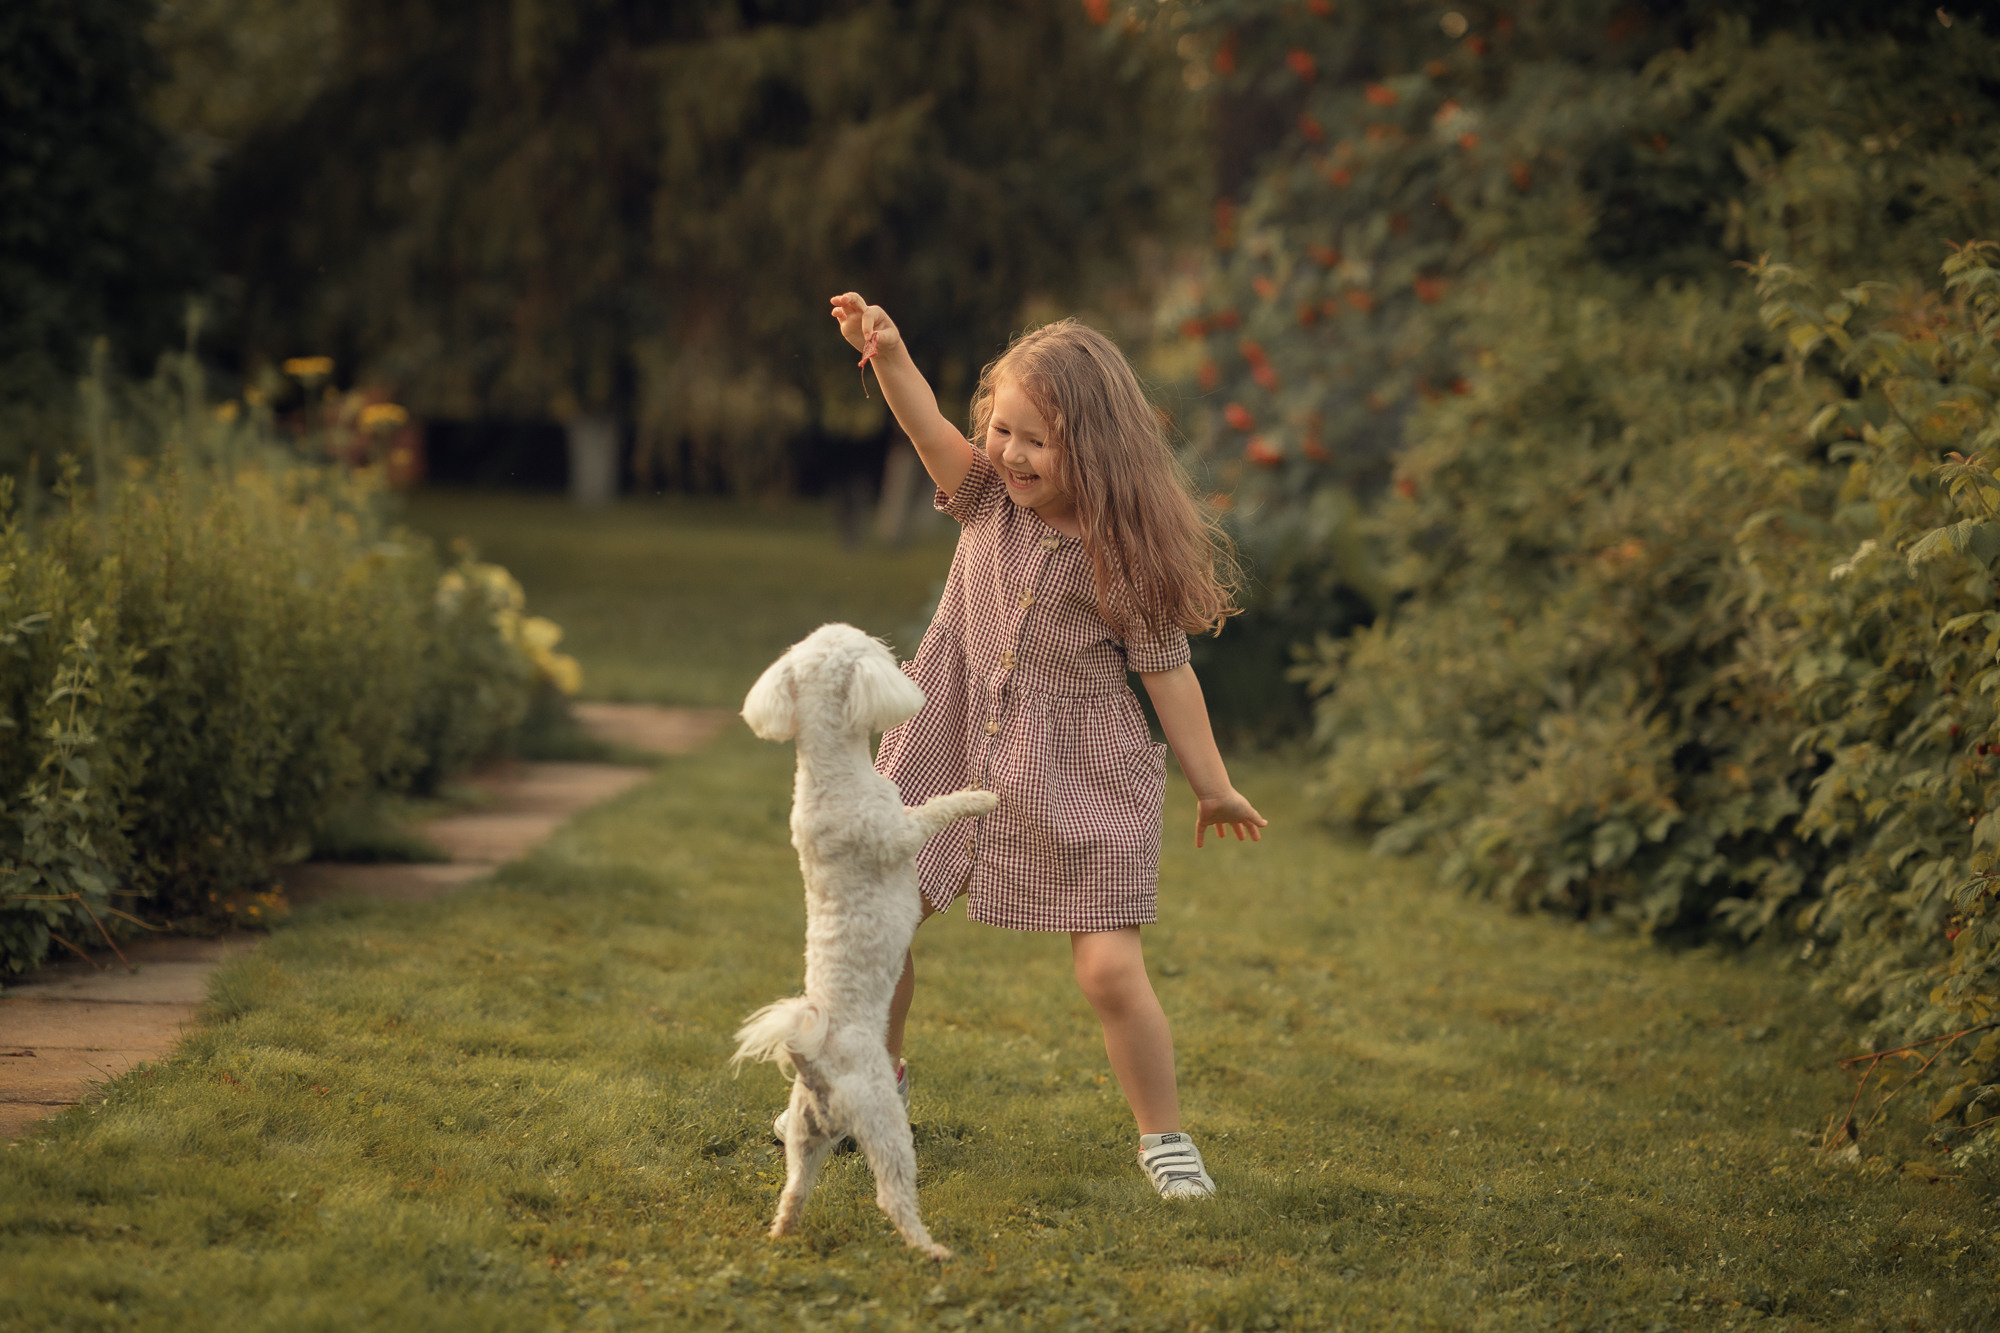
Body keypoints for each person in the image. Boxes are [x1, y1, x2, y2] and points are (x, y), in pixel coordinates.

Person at [821, 291, 1267, 1199]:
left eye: (1036, 439)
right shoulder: (984, 497)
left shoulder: (1124, 553)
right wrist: (891, 353)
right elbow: (925, 430)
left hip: (1079, 771)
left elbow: (1167, 671)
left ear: (1093, 447)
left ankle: (1164, 1137)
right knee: (882, 924)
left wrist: (1213, 785)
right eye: (1003, 429)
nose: (1010, 453)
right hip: (948, 735)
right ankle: (876, 1088)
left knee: (1108, 968)